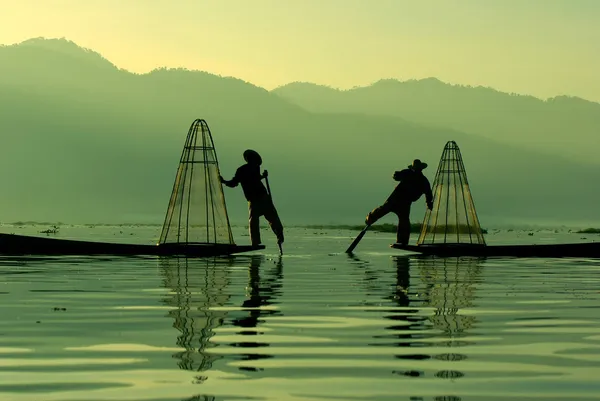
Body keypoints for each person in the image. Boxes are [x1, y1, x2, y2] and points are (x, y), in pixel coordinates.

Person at [220, 149, 284, 248]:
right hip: (257, 199)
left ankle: (272, 238)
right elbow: (235, 183)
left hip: (259, 198)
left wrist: (224, 181)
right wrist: (224, 181)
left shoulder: (248, 169)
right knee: (266, 219)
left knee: (267, 219)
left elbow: (235, 183)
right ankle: (273, 238)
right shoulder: (248, 169)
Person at [365, 159, 434, 245]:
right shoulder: (407, 173)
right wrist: (397, 175)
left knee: (404, 221)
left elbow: (428, 193)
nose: (417, 170)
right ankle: (370, 218)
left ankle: (402, 241)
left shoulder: (423, 181)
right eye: (415, 168)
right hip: (395, 199)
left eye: (418, 169)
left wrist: (429, 203)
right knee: (383, 210)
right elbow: (397, 176)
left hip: (405, 203)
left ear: (421, 169)